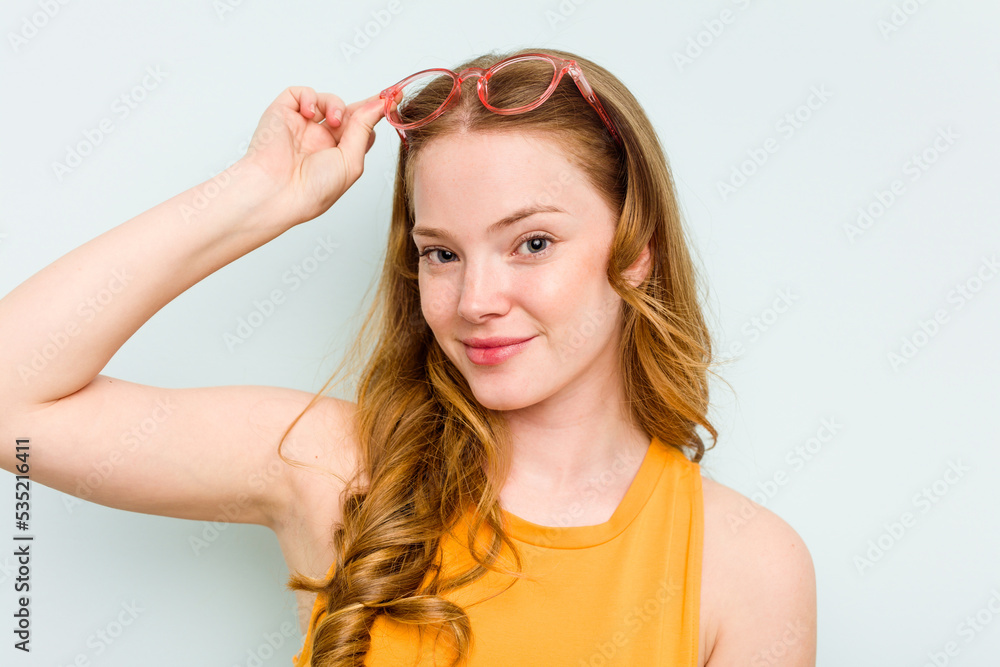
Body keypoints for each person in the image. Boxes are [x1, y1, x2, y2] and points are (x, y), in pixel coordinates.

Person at [0, 47, 815, 666]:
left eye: (532, 242)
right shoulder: (336, 469)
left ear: (636, 249)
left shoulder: (747, 566)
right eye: (441, 253)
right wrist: (257, 195)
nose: (475, 300)